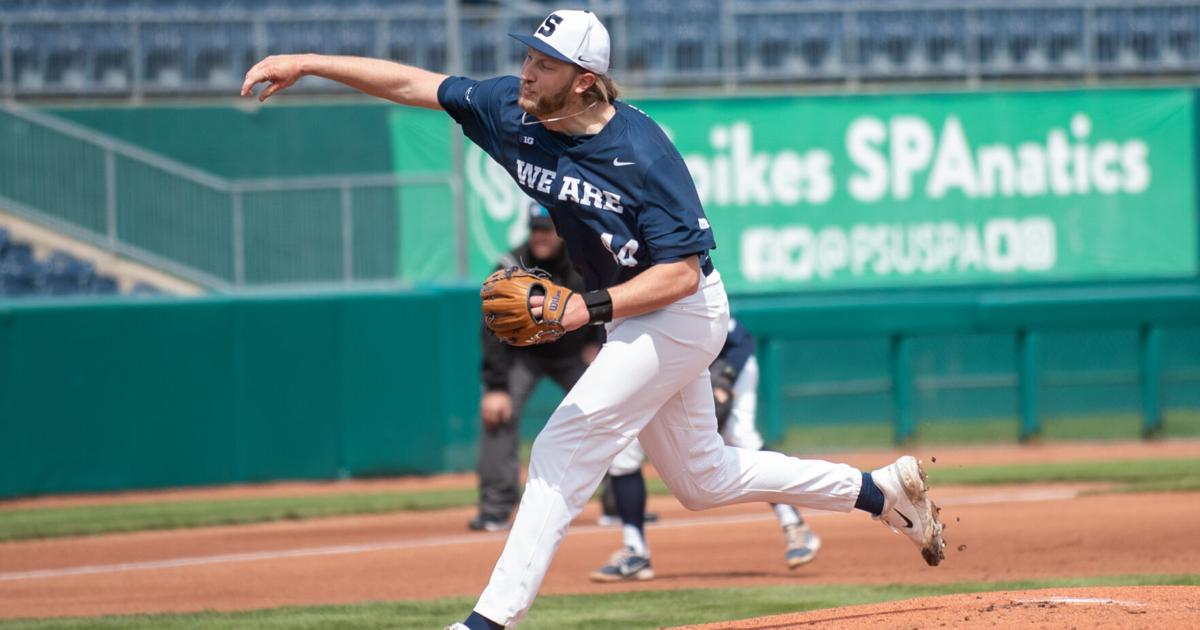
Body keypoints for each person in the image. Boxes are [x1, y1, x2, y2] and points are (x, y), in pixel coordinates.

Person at [241, 10, 945, 629]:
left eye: (544, 63)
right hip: (632, 316)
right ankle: (877, 491)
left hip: (679, 313)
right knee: (704, 480)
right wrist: (310, 63)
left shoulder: (642, 152)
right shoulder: (512, 113)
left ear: (584, 80)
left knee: (558, 451)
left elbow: (682, 271)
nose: (526, 70)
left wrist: (587, 307)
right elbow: (416, 84)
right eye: (527, 55)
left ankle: (490, 620)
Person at [590, 317, 820, 582]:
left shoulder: (671, 297)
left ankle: (794, 524)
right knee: (624, 453)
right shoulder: (610, 309)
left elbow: (742, 342)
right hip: (656, 372)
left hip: (726, 368)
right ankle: (635, 551)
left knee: (741, 436)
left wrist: (725, 383)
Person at [469, 201, 600, 532]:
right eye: (535, 229)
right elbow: (491, 325)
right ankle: (496, 507)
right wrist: (496, 386)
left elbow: (605, 297)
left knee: (608, 410)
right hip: (523, 356)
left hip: (571, 355)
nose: (540, 236)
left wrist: (597, 343)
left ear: (561, 229)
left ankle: (619, 503)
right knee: (498, 415)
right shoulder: (512, 265)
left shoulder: (582, 260)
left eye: (547, 228)